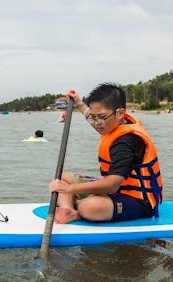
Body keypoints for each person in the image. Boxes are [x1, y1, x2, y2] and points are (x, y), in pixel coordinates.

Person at [48, 83, 163, 224]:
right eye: (94, 117)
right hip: (116, 191)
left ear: (120, 113)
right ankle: (68, 209)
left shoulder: (126, 142)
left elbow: (112, 185)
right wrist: (78, 103)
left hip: (139, 201)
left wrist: (69, 189)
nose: (96, 123)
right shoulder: (112, 124)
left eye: (101, 117)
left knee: (89, 207)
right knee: (63, 177)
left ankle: (79, 204)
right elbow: (92, 116)